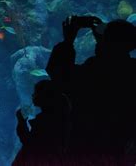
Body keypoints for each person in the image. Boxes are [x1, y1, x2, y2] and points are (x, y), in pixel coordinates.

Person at [46, 16, 136, 164]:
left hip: (85, 149)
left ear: (107, 42)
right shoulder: (131, 71)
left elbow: (59, 75)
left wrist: (68, 40)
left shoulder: (93, 71)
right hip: (120, 151)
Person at [12, 80, 71, 166]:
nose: (33, 95)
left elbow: (29, 142)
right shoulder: (59, 117)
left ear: (46, 96)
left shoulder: (46, 121)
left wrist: (21, 121)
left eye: (36, 93)